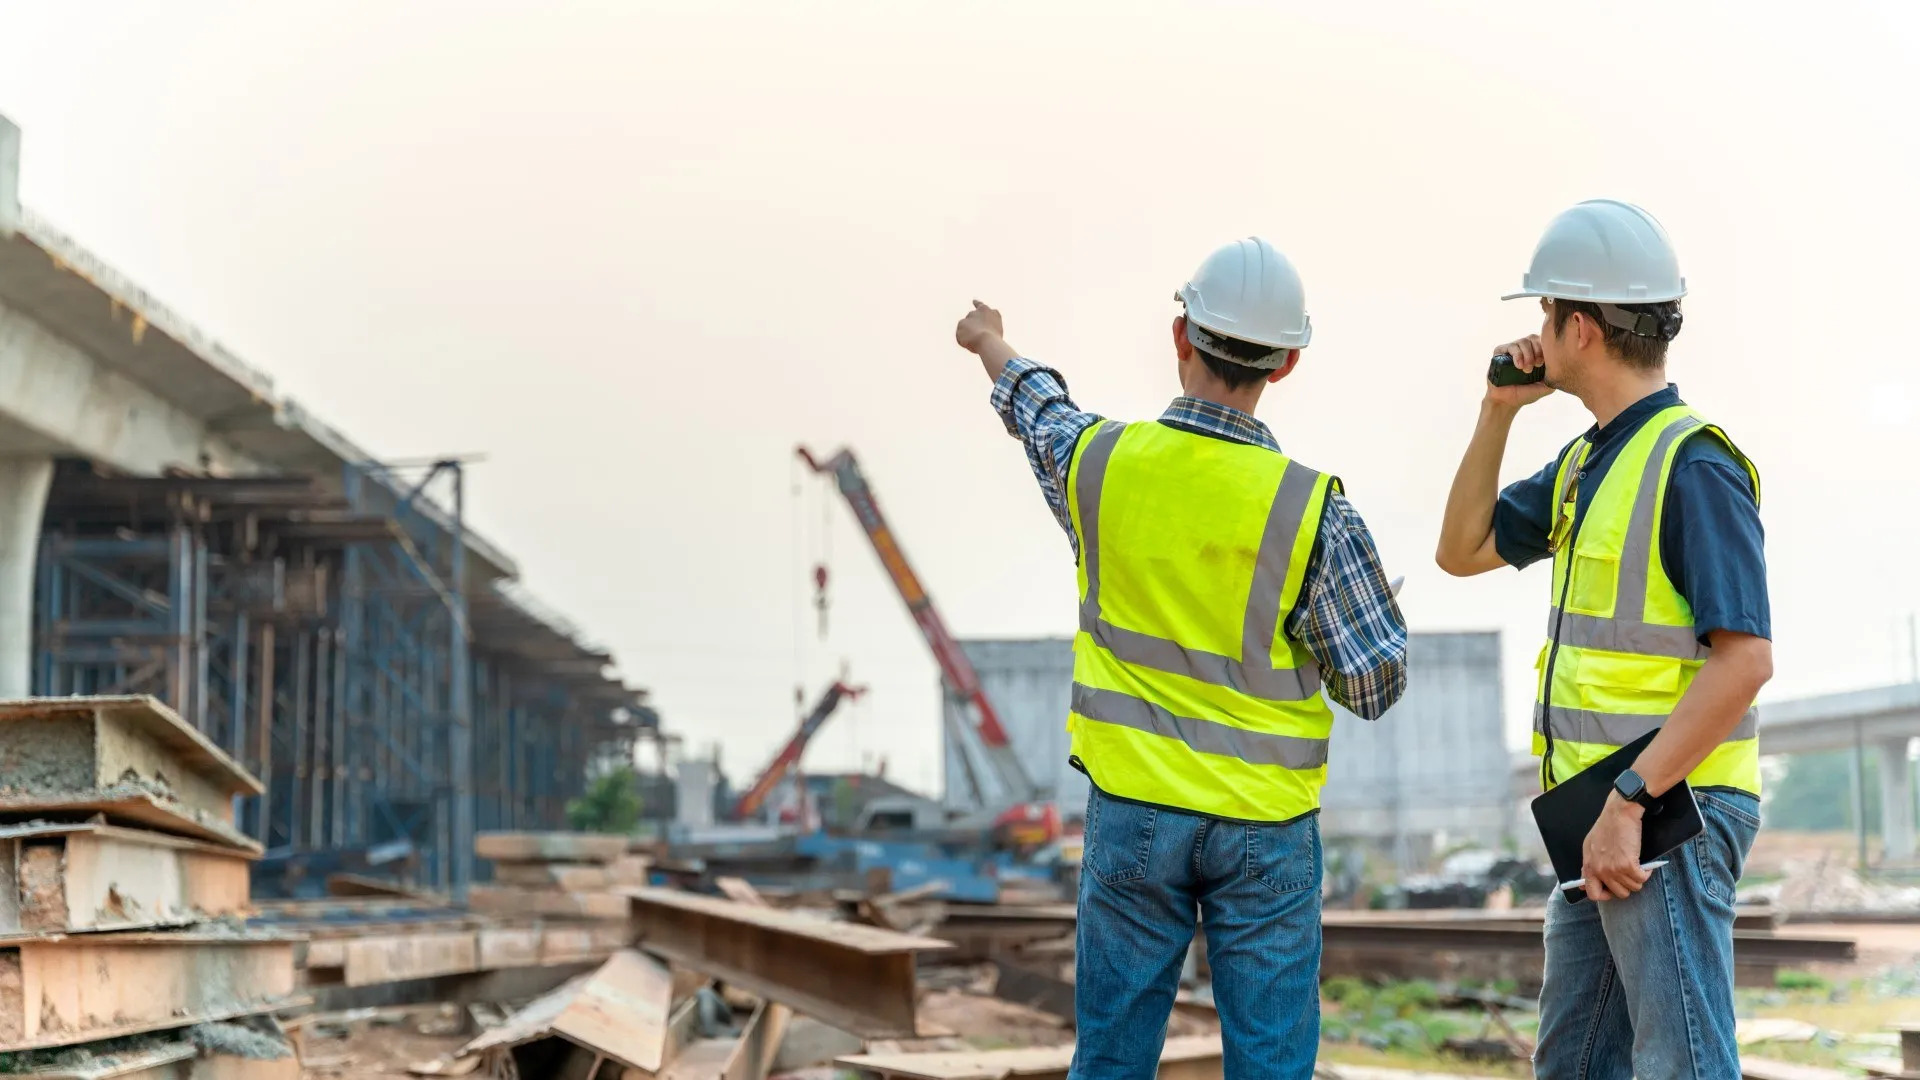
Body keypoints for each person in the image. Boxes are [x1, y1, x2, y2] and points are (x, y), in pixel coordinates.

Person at [953, 237, 1408, 1080]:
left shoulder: (1103, 467)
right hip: (1265, 830)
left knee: (1113, 1061)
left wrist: (988, 341)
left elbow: (1038, 409)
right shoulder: (1312, 511)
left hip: (1134, 814)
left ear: (1180, 337)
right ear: (1288, 363)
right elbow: (1376, 683)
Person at [1435, 200, 1772, 1079]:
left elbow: (1746, 661)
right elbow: (1461, 550)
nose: (1535, 335)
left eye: (1544, 314)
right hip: (1606, 818)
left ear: (1578, 327)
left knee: (1681, 1065)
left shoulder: (1691, 464)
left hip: (1666, 813)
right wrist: (1499, 411)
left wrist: (1629, 802)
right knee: (1575, 1067)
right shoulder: (1591, 464)